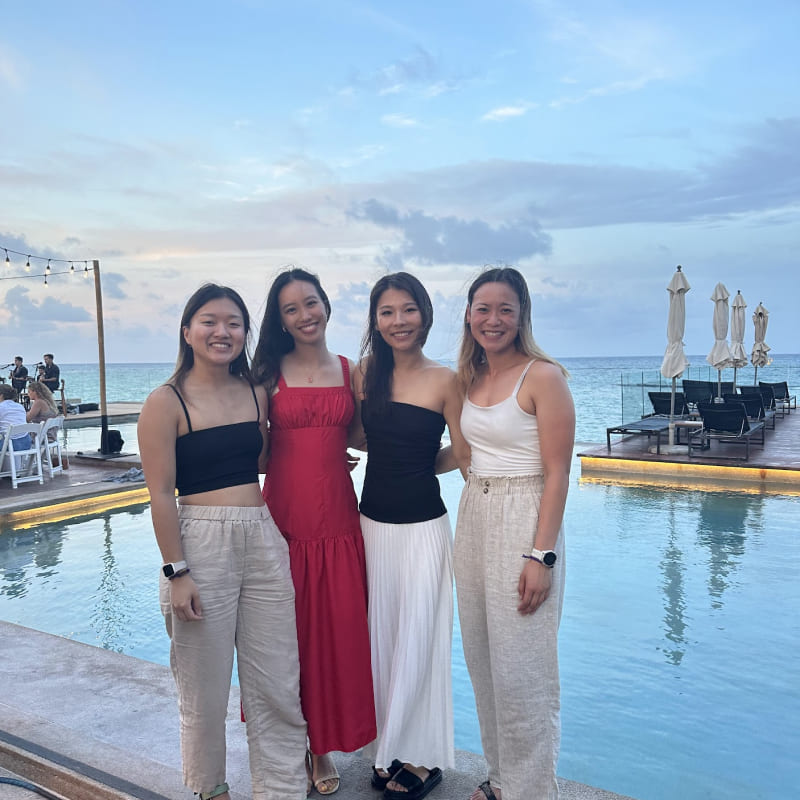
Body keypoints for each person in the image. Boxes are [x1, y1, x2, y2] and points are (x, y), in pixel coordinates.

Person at [137, 283, 307, 800]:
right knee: (204, 687)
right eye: (209, 321)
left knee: (277, 680)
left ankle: (281, 787)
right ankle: (211, 789)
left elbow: (265, 458)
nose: (222, 332)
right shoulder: (165, 402)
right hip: (200, 540)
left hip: (261, 534)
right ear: (187, 331)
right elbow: (161, 494)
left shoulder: (256, 391)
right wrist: (177, 572)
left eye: (234, 322)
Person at [251, 268, 377, 796]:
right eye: (291, 308)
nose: (305, 315)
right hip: (284, 519)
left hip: (340, 521)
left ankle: (331, 733)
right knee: (290, 637)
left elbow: (363, 436)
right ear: (279, 321)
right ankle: (309, 746)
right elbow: (253, 452)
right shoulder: (266, 374)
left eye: (311, 303)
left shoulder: (353, 371)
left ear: (327, 305)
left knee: (340, 631)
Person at [453, 267, 575, 800]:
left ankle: (531, 790)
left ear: (522, 315)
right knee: (484, 662)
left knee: (524, 670)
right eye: (483, 308)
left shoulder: (543, 377)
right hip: (474, 516)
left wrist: (540, 555)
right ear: (469, 315)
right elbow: (469, 456)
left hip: (525, 520)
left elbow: (558, 473)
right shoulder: (468, 377)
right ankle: (502, 779)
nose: (493, 319)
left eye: (505, 309)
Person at [355, 271, 469, 800]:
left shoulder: (446, 380)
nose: (398, 321)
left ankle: (423, 759)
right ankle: (390, 746)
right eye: (387, 312)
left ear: (424, 314)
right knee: (382, 639)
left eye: (408, 310)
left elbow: (464, 453)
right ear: (375, 321)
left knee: (421, 640)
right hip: (370, 524)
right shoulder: (363, 376)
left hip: (424, 525)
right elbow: (356, 434)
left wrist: (423, 464)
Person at [0, 384, 31, 453]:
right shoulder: (19, 406)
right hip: (26, 443)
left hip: (11, 445)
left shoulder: (1, 407)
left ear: (1, 395)